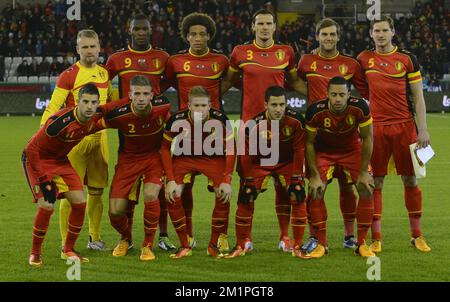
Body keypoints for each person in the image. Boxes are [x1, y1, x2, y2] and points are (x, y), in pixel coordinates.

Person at [222, 8, 308, 252]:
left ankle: (284, 238)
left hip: (282, 130)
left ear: (274, 27)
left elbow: (295, 82)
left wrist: (322, 98)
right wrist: (205, 106)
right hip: (251, 129)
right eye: (260, 24)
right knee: (248, 187)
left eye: (268, 24)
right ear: (253, 27)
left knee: (285, 186)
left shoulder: (286, 52)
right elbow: (228, 81)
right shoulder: (240, 52)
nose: (264, 28)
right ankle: (245, 239)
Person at [357, 16, 431, 253]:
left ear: (392, 32)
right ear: (371, 34)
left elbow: (418, 97)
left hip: (405, 127)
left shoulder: (407, 59)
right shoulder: (364, 59)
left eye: (384, 30)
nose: (380, 34)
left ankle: (417, 235)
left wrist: (423, 129)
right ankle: (376, 238)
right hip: (376, 128)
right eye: (376, 30)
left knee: (410, 179)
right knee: (376, 182)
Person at [297, 18, 369, 251]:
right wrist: (312, 103)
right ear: (317, 36)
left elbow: (364, 89)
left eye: (332, 35)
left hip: (347, 136)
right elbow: (296, 82)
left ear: (338, 37)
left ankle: (351, 237)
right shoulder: (307, 60)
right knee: (316, 187)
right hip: (319, 136)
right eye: (324, 34)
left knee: (348, 187)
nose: (328, 38)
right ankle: (316, 238)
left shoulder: (351, 64)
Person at [105, 14, 175, 251]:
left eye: (145, 29)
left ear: (151, 30)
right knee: (128, 193)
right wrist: (118, 104)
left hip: (156, 127)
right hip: (129, 128)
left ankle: (159, 238)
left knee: (156, 190)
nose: (142, 33)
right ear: (130, 30)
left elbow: (169, 81)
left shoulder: (162, 57)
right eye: (137, 29)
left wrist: (155, 97)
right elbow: (103, 84)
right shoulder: (117, 59)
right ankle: (126, 238)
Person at [164, 12, 230, 251]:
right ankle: (188, 234)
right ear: (187, 36)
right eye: (193, 34)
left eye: (202, 34)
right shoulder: (175, 61)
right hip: (185, 132)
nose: (198, 38)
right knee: (185, 187)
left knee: (221, 188)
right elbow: (169, 83)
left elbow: (231, 80)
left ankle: (221, 236)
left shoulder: (221, 61)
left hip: (213, 133)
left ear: (209, 36)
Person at [41, 29, 111, 253]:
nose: (89, 51)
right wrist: (44, 134)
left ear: (99, 47)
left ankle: (95, 238)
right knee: (71, 195)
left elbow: (106, 103)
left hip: (100, 139)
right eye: (85, 47)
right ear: (77, 50)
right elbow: (53, 107)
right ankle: (65, 244)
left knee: (97, 192)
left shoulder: (104, 74)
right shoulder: (69, 75)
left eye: (93, 46)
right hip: (74, 142)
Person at [23, 84, 103, 266]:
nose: (89, 106)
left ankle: (68, 250)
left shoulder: (93, 118)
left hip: (60, 161)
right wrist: (44, 181)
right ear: (77, 102)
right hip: (36, 159)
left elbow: (111, 111)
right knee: (47, 205)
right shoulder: (59, 121)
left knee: (80, 202)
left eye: (93, 102)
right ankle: (35, 253)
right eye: (85, 102)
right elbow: (31, 149)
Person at [225, 86, 308, 259]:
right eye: (274, 105)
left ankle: (294, 244)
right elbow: (245, 155)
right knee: (246, 196)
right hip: (260, 163)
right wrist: (247, 180)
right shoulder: (253, 125)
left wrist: (296, 177)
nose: (279, 109)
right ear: (266, 105)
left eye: (282, 104)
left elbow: (300, 149)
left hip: (286, 162)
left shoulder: (297, 121)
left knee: (297, 193)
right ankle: (243, 242)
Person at [98, 76, 171, 261]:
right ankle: (126, 238)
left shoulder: (163, 107)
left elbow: (175, 128)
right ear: (129, 95)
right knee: (115, 212)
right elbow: (93, 124)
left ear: (152, 95)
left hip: (153, 159)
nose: (141, 98)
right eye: (136, 94)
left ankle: (148, 244)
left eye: (145, 94)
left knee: (151, 195)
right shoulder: (120, 114)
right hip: (127, 161)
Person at [162, 86, 236, 259]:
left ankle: (213, 244)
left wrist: (227, 179)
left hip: (213, 158)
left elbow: (231, 150)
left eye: (203, 106)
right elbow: (165, 149)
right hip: (184, 158)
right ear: (189, 105)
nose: (200, 110)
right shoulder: (176, 119)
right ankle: (184, 245)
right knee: (172, 194)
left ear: (210, 105)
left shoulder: (220, 119)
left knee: (223, 194)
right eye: (196, 105)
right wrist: (170, 179)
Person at [305, 76, 375, 258]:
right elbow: (309, 144)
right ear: (327, 94)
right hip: (324, 152)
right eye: (333, 94)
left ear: (348, 95)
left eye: (341, 95)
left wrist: (363, 172)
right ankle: (322, 244)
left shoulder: (360, 107)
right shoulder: (315, 111)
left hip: (352, 150)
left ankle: (361, 244)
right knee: (316, 189)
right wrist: (313, 175)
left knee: (366, 187)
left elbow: (367, 138)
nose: (337, 99)